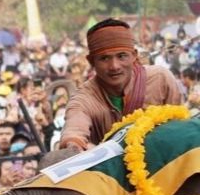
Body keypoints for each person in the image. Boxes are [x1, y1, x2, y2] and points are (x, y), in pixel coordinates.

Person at [59, 19, 182, 150]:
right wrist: (73, 145)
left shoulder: (160, 79)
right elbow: (74, 130)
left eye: (122, 56)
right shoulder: (83, 99)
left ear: (134, 55)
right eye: (104, 58)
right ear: (91, 61)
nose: (114, 66)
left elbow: (180, 126)